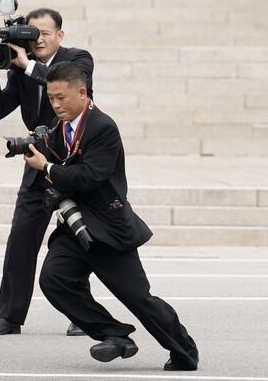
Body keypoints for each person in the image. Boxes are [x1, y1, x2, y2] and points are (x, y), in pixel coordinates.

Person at [24, 61, 199, 371]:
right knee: (54, 281)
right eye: (51, 98)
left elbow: (90, 176)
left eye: (61, 97)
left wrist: (47, 168)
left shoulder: (103, 127)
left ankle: (184, 350)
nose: (56, 104)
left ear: (82, 92)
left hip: (107, 228)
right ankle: (115, 335)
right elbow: (60, 167)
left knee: (138, 298)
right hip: (73, 225)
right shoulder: (56, 127)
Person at [0, 8, 93, 337]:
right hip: (37, 158)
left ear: (60, 34)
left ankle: (82, 315)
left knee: (79, 239)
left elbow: (62, 81)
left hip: (75, 159)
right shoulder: (21, 67)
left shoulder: (78, 59)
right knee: (21, 238)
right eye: (33, 33)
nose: (39, 39)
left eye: (45, 33)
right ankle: (9, 316)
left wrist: (27, 65)